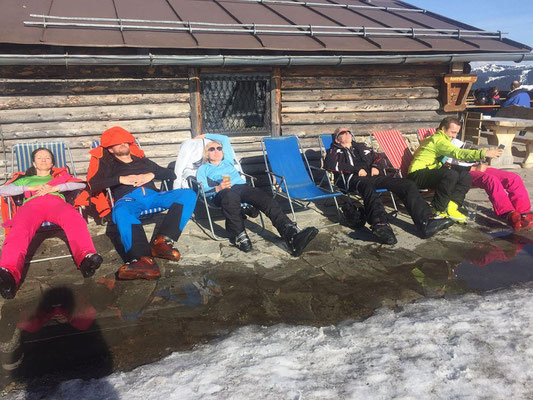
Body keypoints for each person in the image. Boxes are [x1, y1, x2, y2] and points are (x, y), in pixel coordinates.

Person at [88, 127, 197, 280]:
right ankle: (143, 260)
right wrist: (120, 180)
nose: (122, 144)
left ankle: (161, 242)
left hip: (154, 196)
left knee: (188, 194)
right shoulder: (108, 164)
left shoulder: (143, 161)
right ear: (110, 150)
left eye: (124, 141)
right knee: (121, 211)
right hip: (129, 199)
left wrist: (150, 174)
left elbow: (170, 174)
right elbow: (93, 184)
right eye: (117, 143)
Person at [0, 148, 103, 299]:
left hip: (56, 203)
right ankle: (8, 274)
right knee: (20, 229)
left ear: (52, 163)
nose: (43, 160)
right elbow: (3, 190)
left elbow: (80, 185)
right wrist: (29, 187)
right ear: (34, 163)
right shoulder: (24, 179)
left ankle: (86, 258)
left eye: (47, 158)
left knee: (75, 220)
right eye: (39, 158)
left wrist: (56, 187)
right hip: (31, 205)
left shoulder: (60, 177)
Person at [324, 127, 454, 245]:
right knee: (368, 186)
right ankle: (380, 224)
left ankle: (426, 222)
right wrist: (354, 170)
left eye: (348, 131)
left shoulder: (362, 147)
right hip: (352, 179)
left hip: (373, 176)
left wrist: (375, 166)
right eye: (342, 132)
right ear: (337, 138)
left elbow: (380, 159)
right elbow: (329, 164)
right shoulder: (334, 151)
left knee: (406, 184)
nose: (347, 133)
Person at [195, 133, 318, 256]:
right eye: (212, 149)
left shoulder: (227, 161)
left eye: (219, 148)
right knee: (229, 196)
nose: (216, 151)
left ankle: (290, 232)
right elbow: (202, 190)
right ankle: (240, 235)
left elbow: (224, 139)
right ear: (207, 154)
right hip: (222, 193)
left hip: (241, 187)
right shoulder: (203, 169)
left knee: (265, 199)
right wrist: (218, 187)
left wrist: (205, 135)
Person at [408, 117, 502, 223]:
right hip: (417, 174)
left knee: (465, 176)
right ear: (443, 129)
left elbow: (447, 159)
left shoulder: (444, 140)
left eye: (457, 133)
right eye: (453, 132)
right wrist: (483, 153)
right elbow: (457, 153)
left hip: (430, 172)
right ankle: (437, 210)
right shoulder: (438, 140)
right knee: (450, 175)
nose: (454, 136)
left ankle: (451, 207)